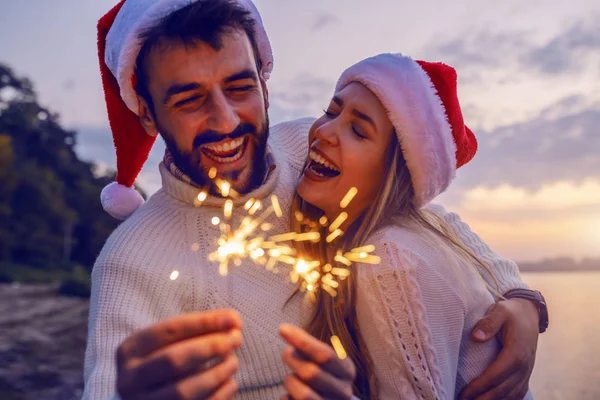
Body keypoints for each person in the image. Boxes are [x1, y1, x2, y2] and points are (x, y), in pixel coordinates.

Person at [84, 0, 548, 399]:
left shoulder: (307, 148)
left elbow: (420, 214)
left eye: (240, 88)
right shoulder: (131, 263)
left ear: (265, 82)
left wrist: (521, 298)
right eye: (189, 100)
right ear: (146, 113)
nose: (225, 122)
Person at [277, 54, 535, 399]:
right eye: (331, 111)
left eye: (358, 130)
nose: (323, 131)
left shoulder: (389, 261)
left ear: (394, 173)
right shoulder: (410, 234)